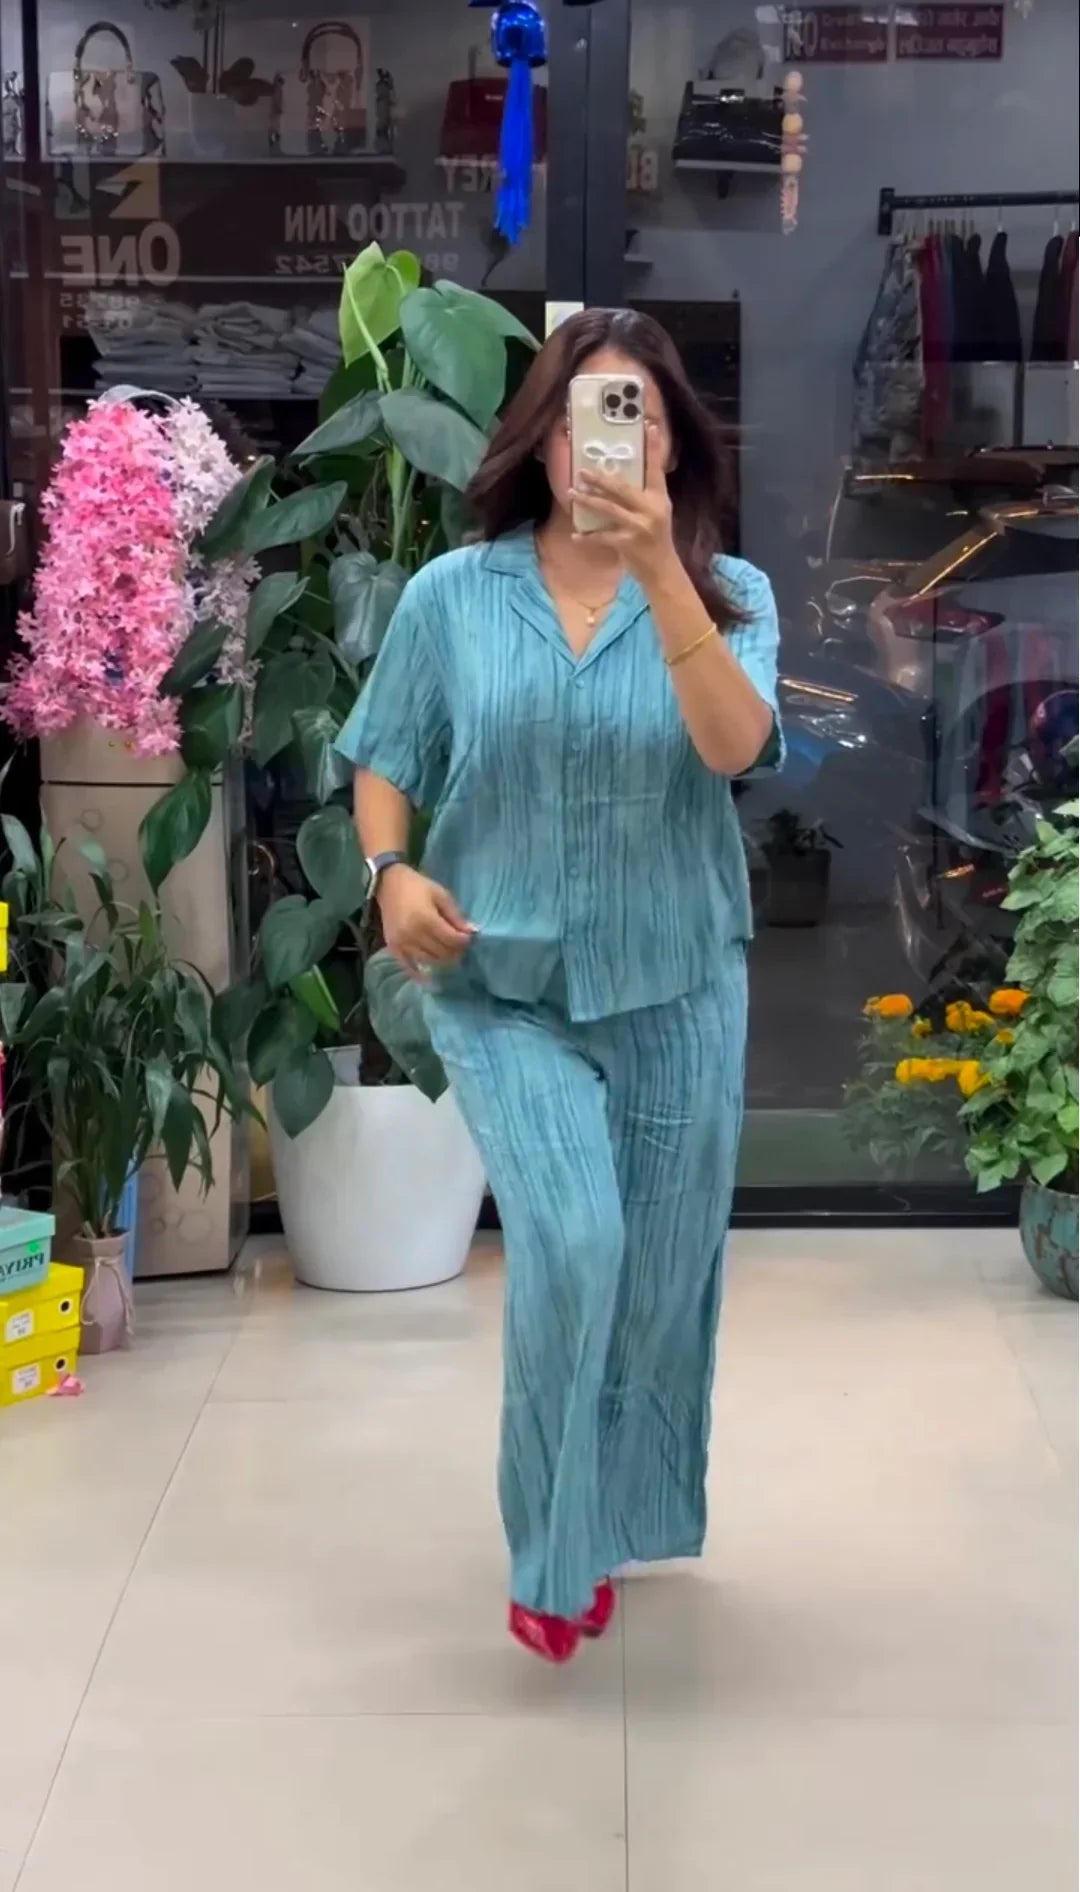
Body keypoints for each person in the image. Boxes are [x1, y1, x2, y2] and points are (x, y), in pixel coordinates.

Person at [337, 308, 784, 1664]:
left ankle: (620, 1513)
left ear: (672, 446)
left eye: (637, 415)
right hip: (501, 981)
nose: (610, 442)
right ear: (540, 443)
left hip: (676, 987)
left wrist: (659, 573)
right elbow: (387, 753)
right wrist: (388, 875)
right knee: (575, 1242)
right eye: (588, 414)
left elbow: (736, 748)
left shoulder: (732, 592)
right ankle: (552, 1548)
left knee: (658, 1281)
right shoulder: (452, 596)